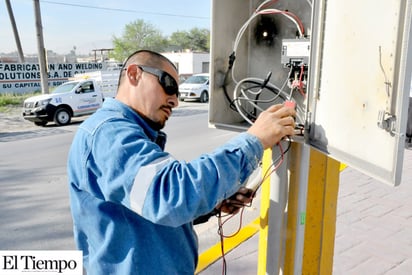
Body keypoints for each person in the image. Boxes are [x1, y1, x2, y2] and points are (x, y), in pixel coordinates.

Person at [67, 49, 296, 274]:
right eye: (169, 86)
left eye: (177, 92)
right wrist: (253, 141)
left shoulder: (127, 133)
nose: (175, 101)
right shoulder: (109, 134)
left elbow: (145, 208)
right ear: (134, 74)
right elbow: (169, 196)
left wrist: (211, 205)